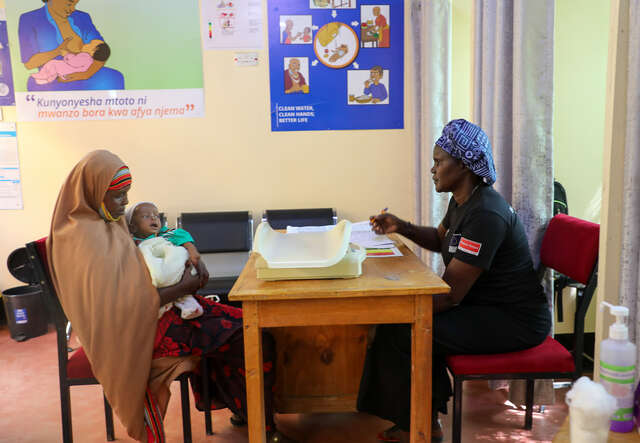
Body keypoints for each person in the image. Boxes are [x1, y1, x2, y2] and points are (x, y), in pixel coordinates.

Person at [47, 150, 296, 443]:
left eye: (127, 194)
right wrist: (185, 288)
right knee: (251, 337)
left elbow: (145, 263)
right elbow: (118, 306)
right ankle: (263, 429)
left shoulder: (106, 222)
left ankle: (243, 407)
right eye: (118, 196)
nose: (125, 202)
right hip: (131, 334)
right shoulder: (82, 239)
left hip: (159, 311)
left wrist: (188, 261)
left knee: (250, 326)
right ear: (93, 191)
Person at [357, 119, 551, 443]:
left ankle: (422, 422)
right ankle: (420, 416)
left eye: (438, 162)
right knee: (401, 325)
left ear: (462, 165)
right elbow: (439, 238)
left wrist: (400, 307)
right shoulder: (463, 201)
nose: (433, 169)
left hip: (514, 320)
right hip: (485, 307)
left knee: (410, 328)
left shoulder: (487, 214)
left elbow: (449, 298)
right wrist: (400, 225)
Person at [18, 0, 124, 91]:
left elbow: (101, 50)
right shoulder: (29, 19)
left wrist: (86, 74)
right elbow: (29, 64)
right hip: (53, 77)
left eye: (75, 3)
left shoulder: (82, 17)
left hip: (86, 72)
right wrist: (58, 51)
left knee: (114, 77)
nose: (73, 9)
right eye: (69, 4)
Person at [126, 201, 204, 320]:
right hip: (152, 278)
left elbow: (180, 234)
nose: (153, 218)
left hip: (172, 270)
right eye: (146, 216)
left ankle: (189, 305)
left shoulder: (164, 234)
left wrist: (191, 250)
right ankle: (165, 305)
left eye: (156, 216)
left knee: (180, 253)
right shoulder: (130, 240)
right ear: (133, 227)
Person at [30, 39, 110, 85]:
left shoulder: (85, 56)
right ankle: (47, 79)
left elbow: (74, 62)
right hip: (68, 71)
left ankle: (42, 75)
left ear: (93, 51)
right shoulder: (89, 59)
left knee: (52, 63)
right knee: (54, 68)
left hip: (68, 70)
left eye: (89, 44)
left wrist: (67, 54)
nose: (85, 44)